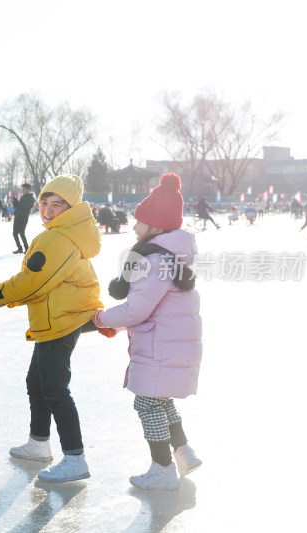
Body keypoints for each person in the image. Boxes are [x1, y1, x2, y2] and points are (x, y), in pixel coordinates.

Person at [0, 174, 104, 483]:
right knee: (37, 382)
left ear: (70, 207)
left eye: (56, 204)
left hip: (60, 321)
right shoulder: (63, 232)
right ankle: (38, 443)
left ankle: (75, 457)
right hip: (56, 318)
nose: (47, 210)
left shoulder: (58, 238)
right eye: (44, 203)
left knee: (55, 389)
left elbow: (34, 281)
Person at [94, 173, 203, 491]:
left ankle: (163, 469)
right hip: (169, 342)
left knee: (147, 403)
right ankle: (183, 451)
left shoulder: (153, 259)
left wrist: (101, 318)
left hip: (160, 344)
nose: (133, 226)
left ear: (154, 225)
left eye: (139, 220)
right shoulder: (169, 256)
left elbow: (136, 309)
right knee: (159, 400)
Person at [12, 183, 36, 253]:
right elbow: (18, 206)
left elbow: (26, 206)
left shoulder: (31, 198)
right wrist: (15, 201)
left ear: (28, 189)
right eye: (22, 189)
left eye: (24, 189)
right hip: (17, 216)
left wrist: (19, 204)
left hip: (23, 217)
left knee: (22, 232)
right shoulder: (22, 197)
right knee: (15, 233)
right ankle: (20, 248)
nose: (23, 190)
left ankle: (26, 248)